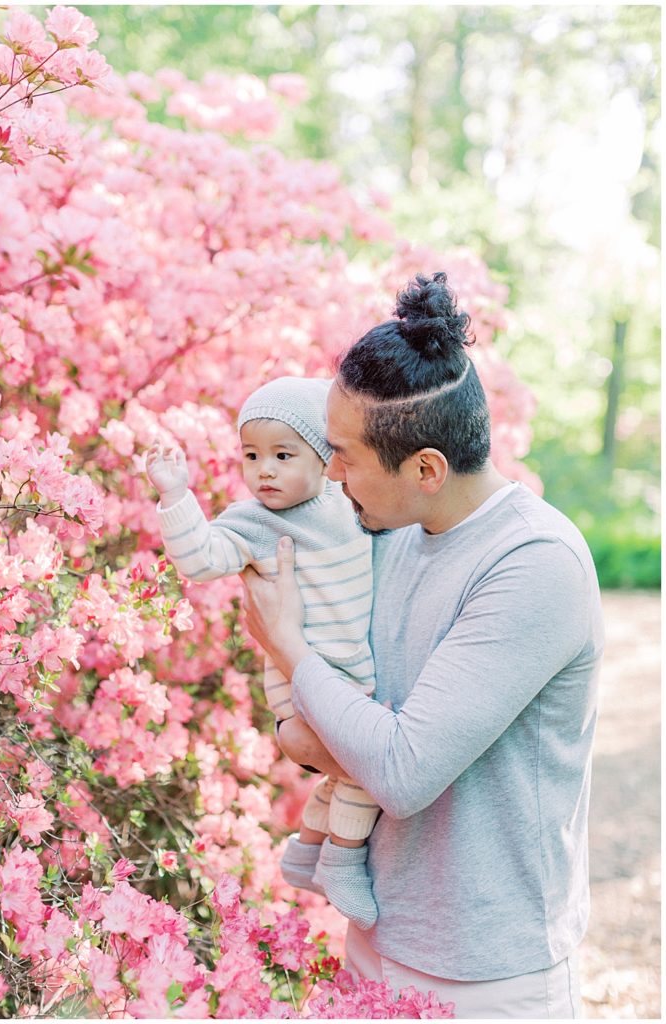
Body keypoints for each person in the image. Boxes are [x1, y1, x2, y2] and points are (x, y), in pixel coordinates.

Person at [240, 272, 604, 1019]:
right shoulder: (392, 534)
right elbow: (334, 731)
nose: (329, 475)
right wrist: (312, 726)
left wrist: (288, 649)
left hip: (485, 974)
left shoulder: (535, 566)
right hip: (378, 933)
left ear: (426, 470)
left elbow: (401, 771)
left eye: (343, 456)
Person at [145, 376, 382, 929]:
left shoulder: (345, 504)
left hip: (345, 669)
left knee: (344, 768)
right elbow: (200, 559)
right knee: (366, 769)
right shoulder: (252, 522)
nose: (265, 470)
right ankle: (342, 864)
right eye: (252, 456)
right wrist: (176, 496)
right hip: (305, 676)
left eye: (282, 454)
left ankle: (304, 851)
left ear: (324, 458)